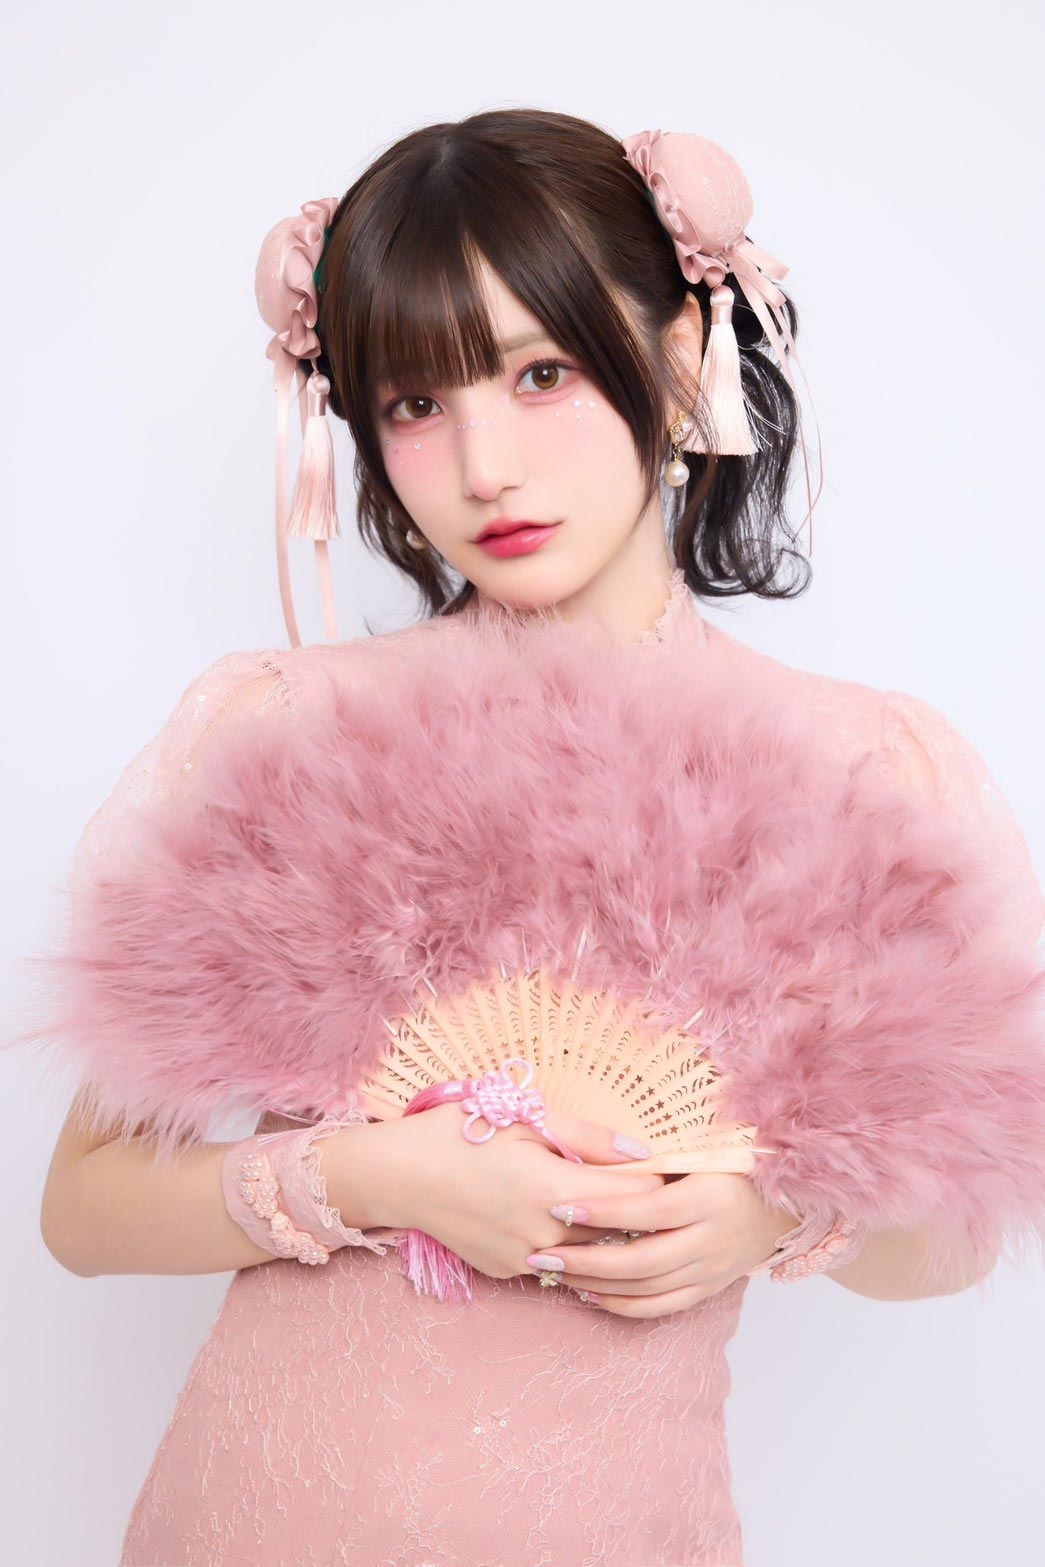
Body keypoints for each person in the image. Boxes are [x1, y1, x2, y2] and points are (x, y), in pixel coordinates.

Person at [22, 109, 1044, 1567]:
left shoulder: (865, 768)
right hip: (252, 1520)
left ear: (678, 360)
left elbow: (955, 1241)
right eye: (414, 404)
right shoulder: (287, 726)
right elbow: (83, 1209)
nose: (483, 466)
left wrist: (770, 1219)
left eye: (541, 372)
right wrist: (376, 1179)